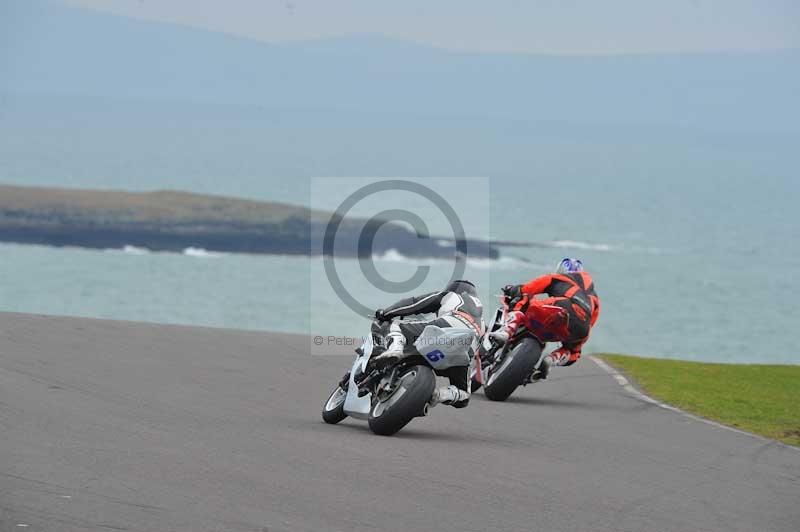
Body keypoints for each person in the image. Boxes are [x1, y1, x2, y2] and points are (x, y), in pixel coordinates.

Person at [373, 279, 484, 408]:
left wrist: (387, 312)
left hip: (450, 326)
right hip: (467, 347)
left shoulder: (454, 296)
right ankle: (441, 394)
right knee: (463, 395)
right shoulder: (481, 320)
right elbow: (480, 351)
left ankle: (395, 348)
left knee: (394, 325)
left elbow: (416, 303)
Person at [489, 258, 600, 380]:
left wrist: (514, 290)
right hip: (581, 328)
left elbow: (529, 288)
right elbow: (591, 323)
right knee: (574, 352)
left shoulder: (558, 278)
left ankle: (507, 331)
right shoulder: (594, 298)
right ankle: (552, 359)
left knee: (524, 298)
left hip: (562, 307)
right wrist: (577, 341)